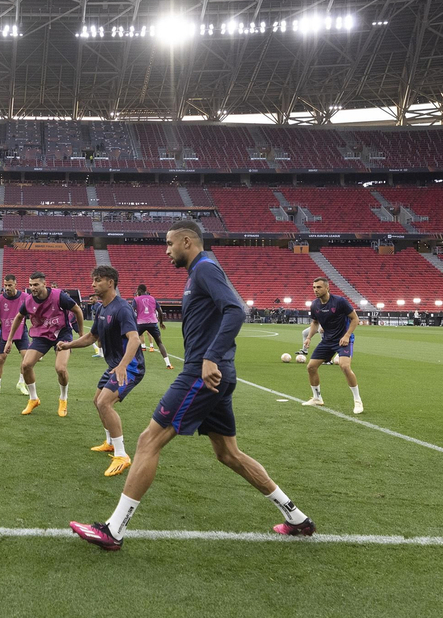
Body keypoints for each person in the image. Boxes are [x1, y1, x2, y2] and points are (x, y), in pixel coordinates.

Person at [70, 222, 314, 550]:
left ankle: (113, 531)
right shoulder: (197, 273)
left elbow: (235, 311)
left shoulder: (204, 269)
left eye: (170, 244)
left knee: (147, 442)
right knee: (229, 454)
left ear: (188, 241)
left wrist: (211, 357)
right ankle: (297, 518)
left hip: (202, 374)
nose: (166, 250)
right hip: (216, 376)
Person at [59, 266, 145, 478]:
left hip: (130, 366)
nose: (93, 284)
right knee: (97, 400)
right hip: (114, 365)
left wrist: (124, 365)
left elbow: (134, 339)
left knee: (105, 403)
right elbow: (91, 337)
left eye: (97, 280)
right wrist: (68, 345)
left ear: (110, 282)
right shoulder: (100, 309)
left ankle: (122, 454)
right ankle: (109, 442)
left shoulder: (122, 308)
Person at [6, 272, 84, 416]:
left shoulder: (59, 296)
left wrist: (81, 334)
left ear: (44, 284)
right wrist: (9, 339)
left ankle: (63, 399)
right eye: (30, 285)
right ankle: (33, 399)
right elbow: (18, 317)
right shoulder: (29, 301)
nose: (32, 288)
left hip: (62, 333)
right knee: (26, 365)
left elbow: (77, 310)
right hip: (42, 335)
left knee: (60, 368)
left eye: (35, 284)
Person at [301, 277, 363, 413]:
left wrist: (347, 336)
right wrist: (309, 337)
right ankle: (317, 398)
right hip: (327, 341)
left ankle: (358, 401)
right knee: (311, 367)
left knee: (345, 366)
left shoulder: (340, 302)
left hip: (343, 340)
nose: (315, 290)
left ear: (327, 288)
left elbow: (355, 319)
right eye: (314, 287)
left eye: (319, 287)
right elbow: (315, 322)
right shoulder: (314, 305)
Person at [0, 274, 29, 396]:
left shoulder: (25, 297)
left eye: (9, 285)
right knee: (1, 358)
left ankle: (21, 383)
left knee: (26, 358)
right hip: (5, 332)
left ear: (15, 284)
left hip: (21, 331)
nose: (7, 287)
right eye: (5, 285)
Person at [134, 284, 173, 369]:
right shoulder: (152, 298)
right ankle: (168, 363)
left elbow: (132, 311)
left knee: (133, 342)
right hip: (152, 322)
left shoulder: (136, 299)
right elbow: (160, 311)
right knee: (159, 343)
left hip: (140, 323)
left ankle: (133, 362)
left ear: (140, 290)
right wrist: (161, 322)